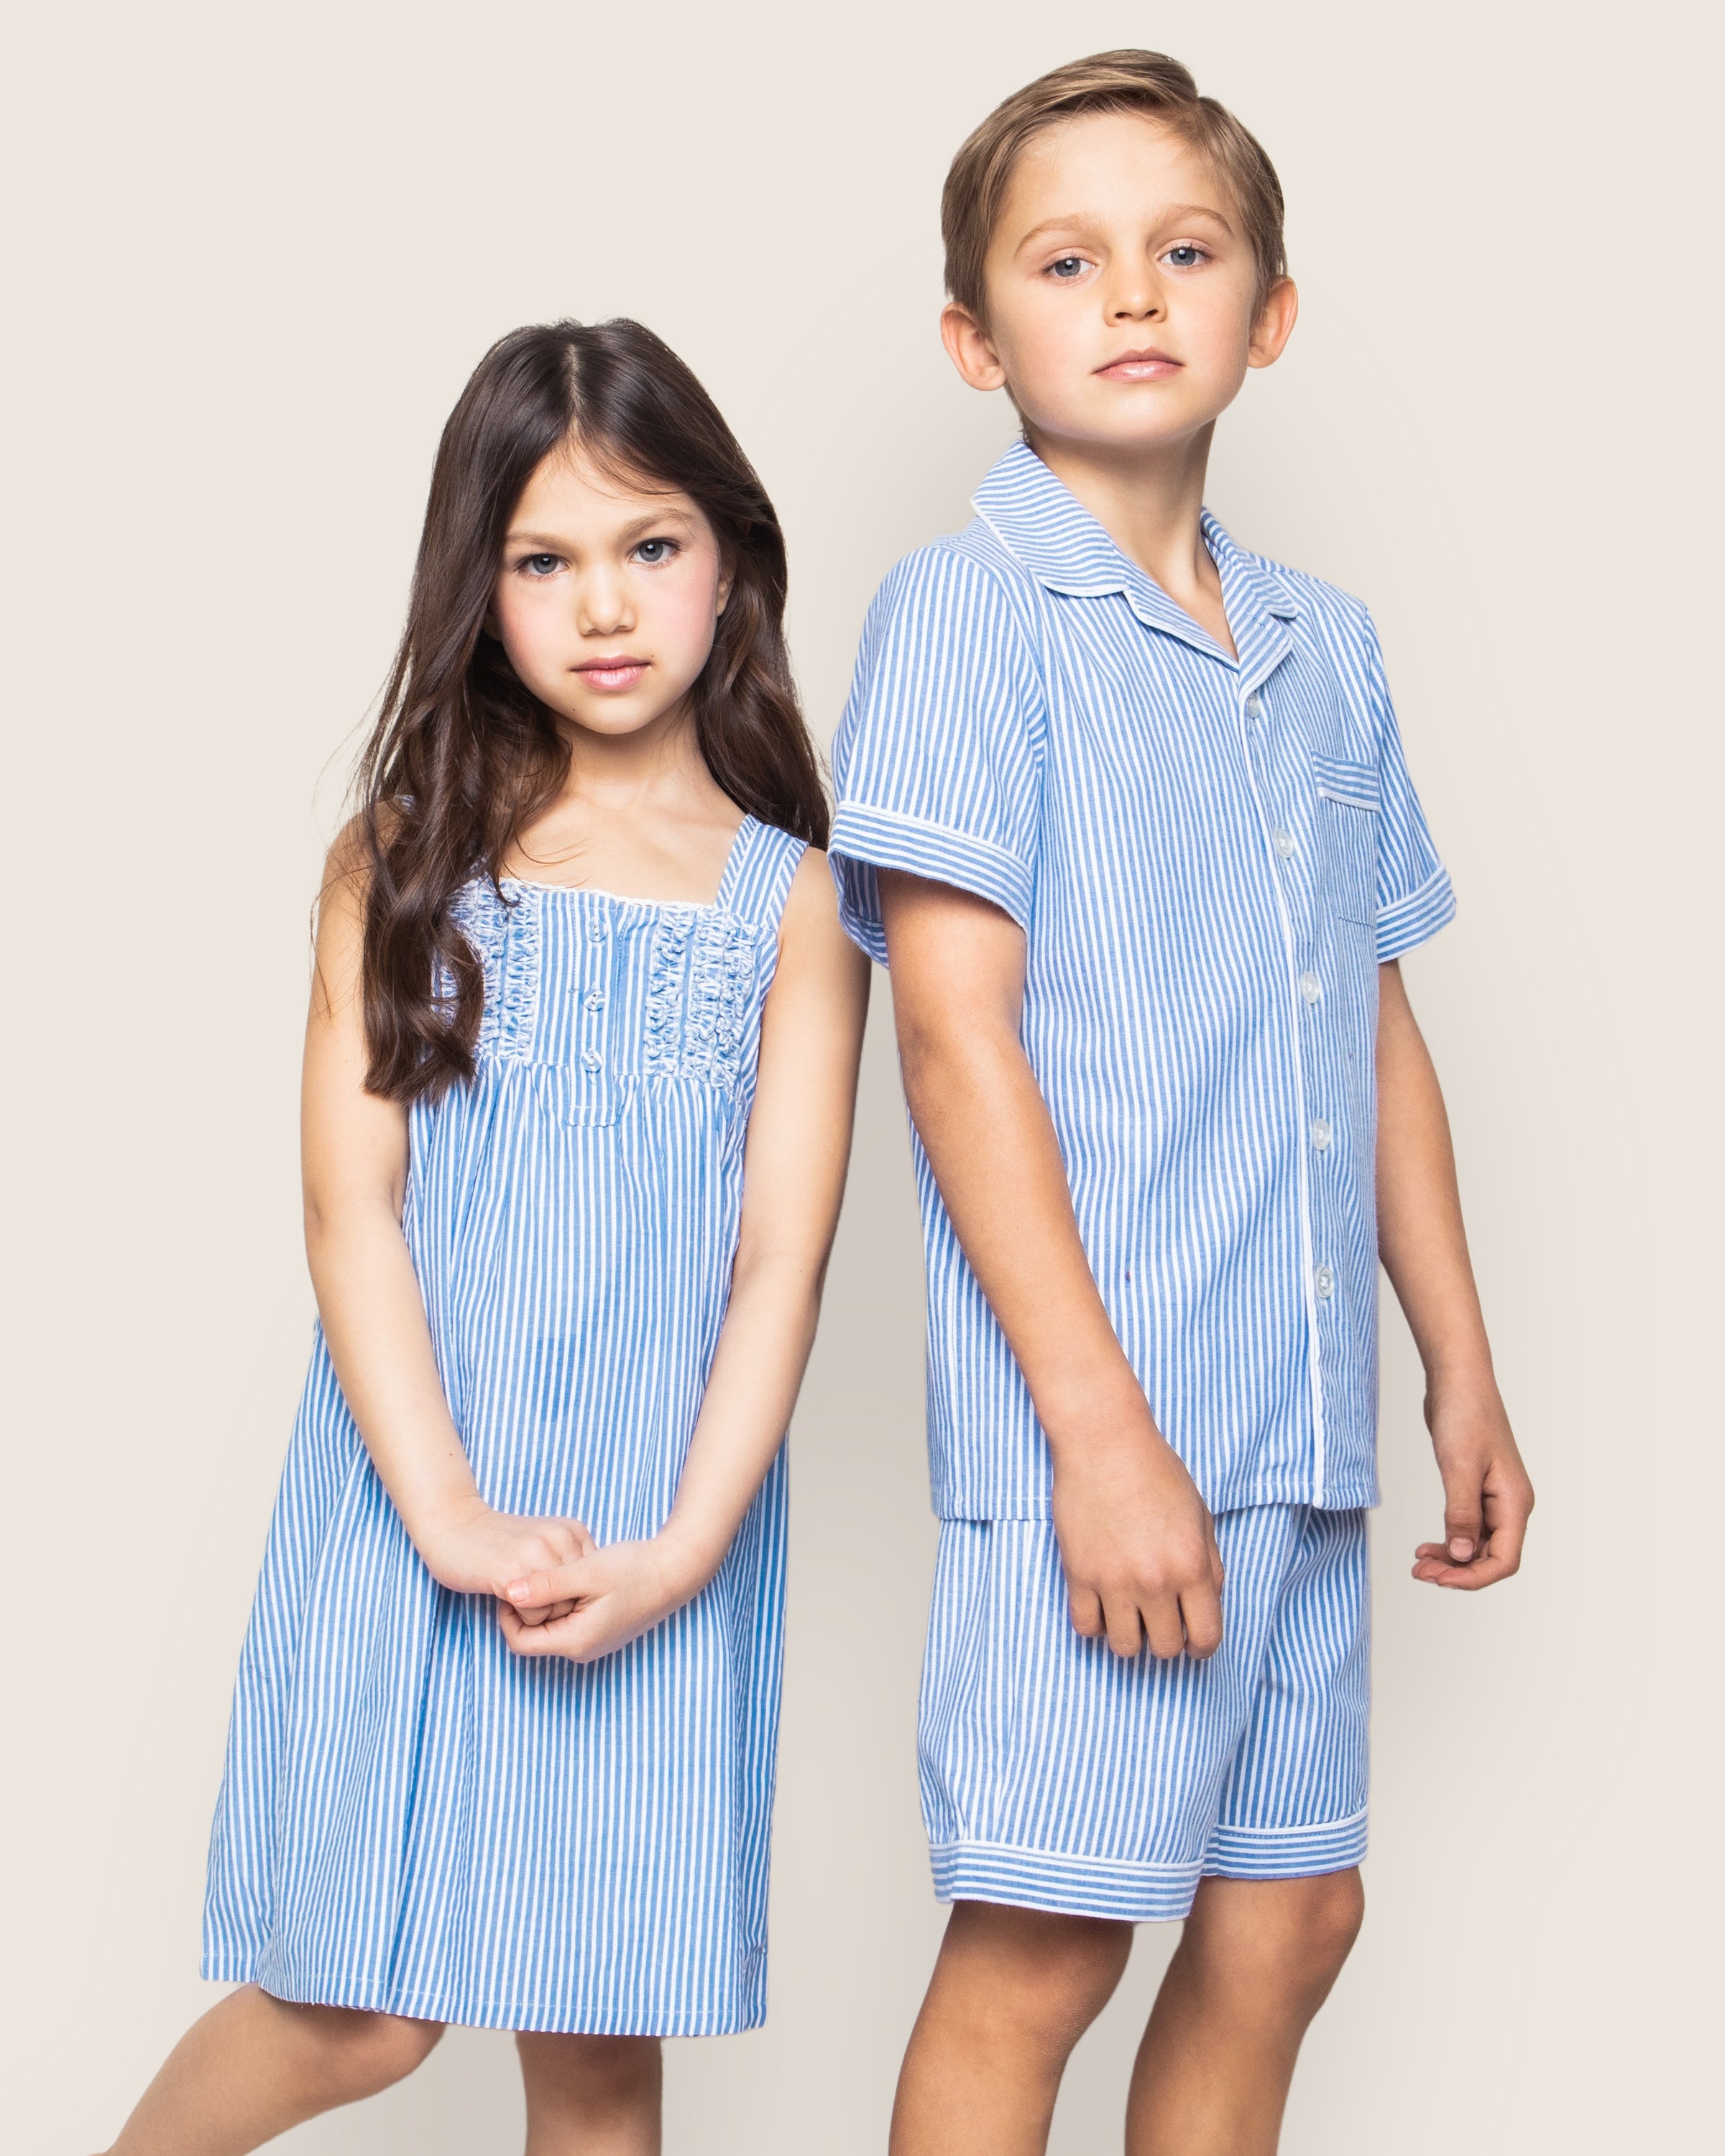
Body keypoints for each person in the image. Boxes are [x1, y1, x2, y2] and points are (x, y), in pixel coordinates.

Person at [828, 51, 1535, 2156]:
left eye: (1186, 250)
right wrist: (1098, 1433)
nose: (1132, 292)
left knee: (1291, 1919)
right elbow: (952, 1040)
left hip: (1305, 1430)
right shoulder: (965, 618)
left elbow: (1371, 1021)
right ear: (980, 336)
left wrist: (1461, 1371)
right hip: (1114, 1434)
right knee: (1043, 1950)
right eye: (1068, 259)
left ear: (1269, 311)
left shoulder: (1328, 648)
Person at [102, 318, 868, 2156]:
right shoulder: (405, 853)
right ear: (482, 587)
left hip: (657, 1525)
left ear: (731, 562)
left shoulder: (798, 905)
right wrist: (442, 1506)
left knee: (598, 2047)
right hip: (408, 1496)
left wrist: (684, 1550)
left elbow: (784, 1258)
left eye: (649, 545)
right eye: (544, 560)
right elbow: (348, 1204)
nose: (604, 603)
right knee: (356, 2015)